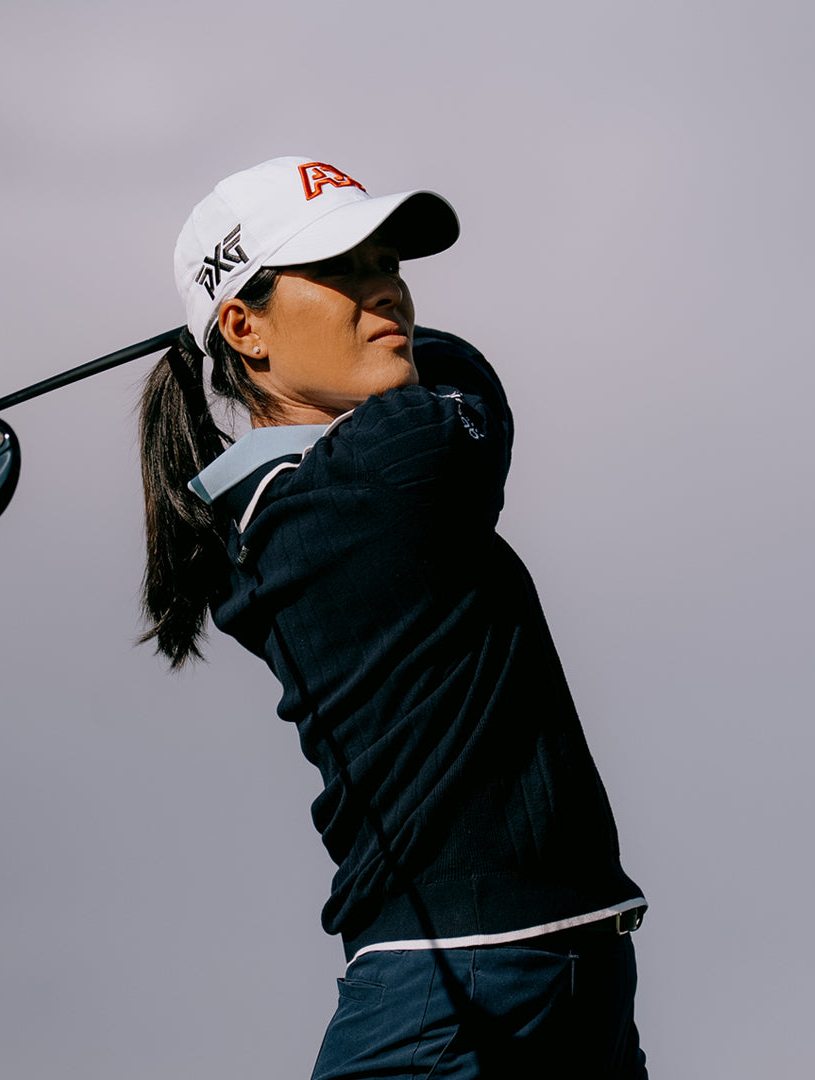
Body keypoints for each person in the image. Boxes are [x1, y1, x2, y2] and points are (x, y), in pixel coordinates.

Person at [139, 157, 648, 1078]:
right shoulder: (378, 472)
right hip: (452, 999)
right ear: (243, 330)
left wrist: (296, 330)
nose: (388, 293)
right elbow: (465, 374)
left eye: (390, 264)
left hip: (560, 983)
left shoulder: (306, 493)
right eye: (340, 271)